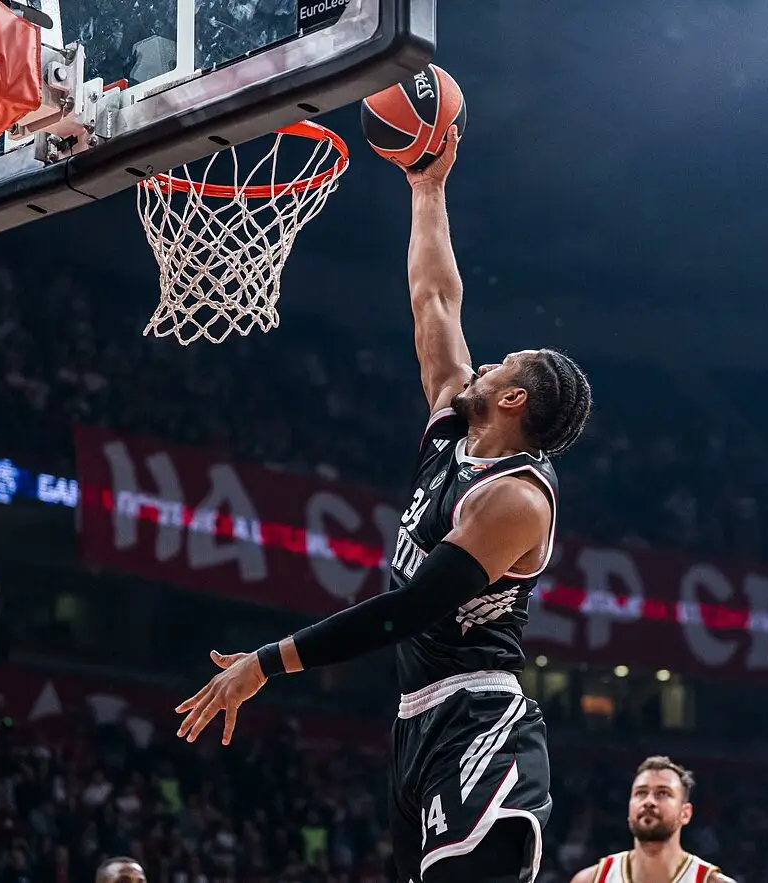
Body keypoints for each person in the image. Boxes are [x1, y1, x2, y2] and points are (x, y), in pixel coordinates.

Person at [174, 124, 592, 883]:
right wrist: (425, 186)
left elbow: (407, 610)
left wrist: (266, 663)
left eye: (499, 363)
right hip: (415, 720)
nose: (482, 360)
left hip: (478, 721)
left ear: (513, 397)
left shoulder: (516, 500)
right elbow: (434, 298)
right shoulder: (453, 428)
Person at [570, 757, 732, 883]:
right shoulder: (591, 880)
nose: (649, 801)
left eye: (663, 793)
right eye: (641, 793)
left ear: (685, 813)